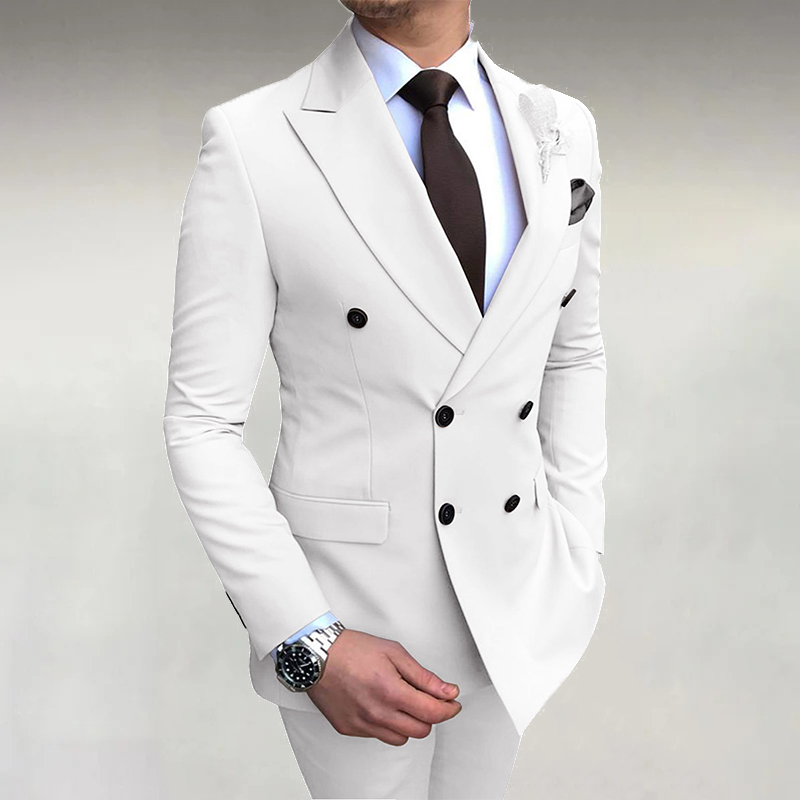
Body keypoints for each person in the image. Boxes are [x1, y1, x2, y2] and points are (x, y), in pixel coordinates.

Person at [162, 1, 607, 797]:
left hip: (514, 599)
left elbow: (573, 350)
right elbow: (201, 421)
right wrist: (308, 642)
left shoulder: (561, 126)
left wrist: (580, 545)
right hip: (352, 621)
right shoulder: (255, 139)